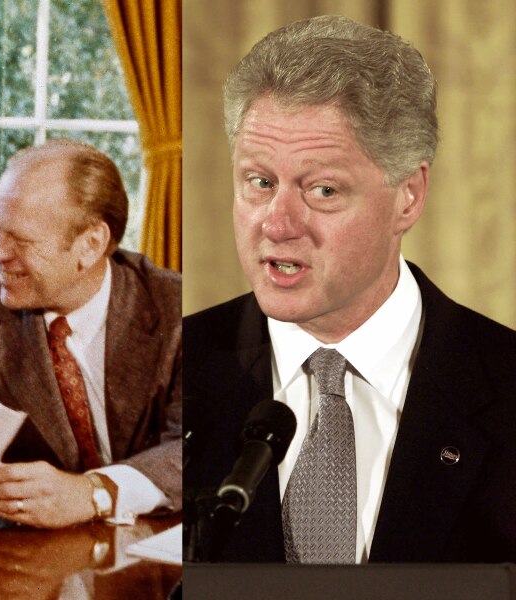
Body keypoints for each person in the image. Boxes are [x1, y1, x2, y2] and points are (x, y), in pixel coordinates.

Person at [183, 15, 516, 563]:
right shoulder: (181, 365)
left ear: (408, 197)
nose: (277, 223)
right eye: (260, 183)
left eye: (323, 190)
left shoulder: (503, 384)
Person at [0, 139, 181, 529]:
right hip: (43, 550)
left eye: (20, 239)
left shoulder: (178, 309)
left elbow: (197, 450)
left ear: (90, 245)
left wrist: (95, 492)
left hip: (164, 541)